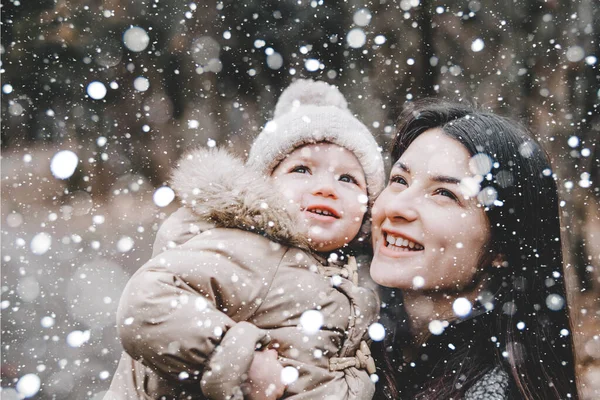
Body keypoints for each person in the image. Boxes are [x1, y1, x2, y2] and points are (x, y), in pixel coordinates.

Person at [104, 79, 386, 400]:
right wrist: (240, 360)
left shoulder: (351, 269)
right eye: (302, 170)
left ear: (368, 204)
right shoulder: (252, 249)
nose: (326, 187)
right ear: (265, 185)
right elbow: (147, 303)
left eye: (347, 178)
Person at [370, 99, 579, 399]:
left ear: (502, 246)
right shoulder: (338, 337)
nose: (396, 206)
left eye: (444, 193)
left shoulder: (494, 391)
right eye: (400, 180)